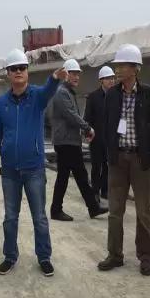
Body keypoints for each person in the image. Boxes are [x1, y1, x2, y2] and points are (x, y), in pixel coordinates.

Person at [0, 48, 67, 277]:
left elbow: (48, 90)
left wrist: (54, 78)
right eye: (14, 69)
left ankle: (44, 257)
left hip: (34, 169)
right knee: (10, 218)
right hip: (10, 171)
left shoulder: (37, 97)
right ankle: (10, 256)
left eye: (22, 68)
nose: (18, 72)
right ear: (8, 73)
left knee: (39, 217)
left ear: (27, 72)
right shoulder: (2, 103)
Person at [98, 44, 150, 277]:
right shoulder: (112, 95)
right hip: (118, 160)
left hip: (140, 160)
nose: (117, 69)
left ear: (135, 68)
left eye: (122, 65)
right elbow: (107, 125)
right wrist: (110, 153)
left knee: (142, 211)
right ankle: (114, 254)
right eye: (117, 65)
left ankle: (145, 256)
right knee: (115, 210)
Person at [50, 59, 108, 221]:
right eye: (73, 73)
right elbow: (71, 115)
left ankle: (87, 207)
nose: (76, 77)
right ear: (65, 75)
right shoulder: (62, 92)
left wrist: (83, 130)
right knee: (78, 175)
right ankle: (89, 207)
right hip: (66, 142)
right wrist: (87, 128)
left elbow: (72, 117)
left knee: (71, 176)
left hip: (68, 140)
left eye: (77, 74)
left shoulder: (68, 92)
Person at [84, 66, 116, 203]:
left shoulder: (116, 96)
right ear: (101, 80)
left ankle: (105, 190)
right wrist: (87, 133)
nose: (111, 81)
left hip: (111, 139)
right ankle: (95, 191)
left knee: (108, 166)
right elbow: (87, 117)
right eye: (108, 78)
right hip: (96, 138)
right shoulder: (93, 97)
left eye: (112, 78)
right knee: (97, 166)